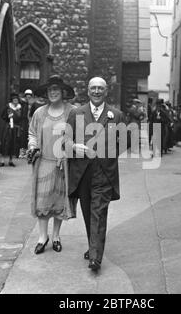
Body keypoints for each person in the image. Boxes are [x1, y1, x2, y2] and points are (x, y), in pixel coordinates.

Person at [65, 77, 127, 272]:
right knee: (87, 212)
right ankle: (94, 246)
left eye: (100, 88)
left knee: (98, 213)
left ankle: (95, 257)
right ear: (88, 91)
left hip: (104, 173)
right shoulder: (76, 113)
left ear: (106, 91)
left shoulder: (116, 115)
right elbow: (65, 141)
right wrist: (75, 147)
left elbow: (125, 141)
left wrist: (108, 153)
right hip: (82, 173)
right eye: (93, 88)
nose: (97, 91)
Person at [27, 75, 77, 255]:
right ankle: (42, 237)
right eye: (50, 90)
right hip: (44, 162)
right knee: (42, 201)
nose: (53, 93)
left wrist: (69, 150)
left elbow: (78, 135)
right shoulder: (39, 113)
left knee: (59, 201)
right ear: (46, 93)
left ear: (63, 92)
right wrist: (32, 146)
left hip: (63, 164)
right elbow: (32, 133)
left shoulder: (73, 112)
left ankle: (56, 236)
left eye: (56, 89)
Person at [0, 93, 23, 167]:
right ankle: (3, 161)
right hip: (8, 127)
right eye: (14, 100)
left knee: (13, 144)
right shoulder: (8, 107)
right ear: (12, 101)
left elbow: (21, 118)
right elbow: (2, 116)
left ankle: (10, 160)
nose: (15, 101)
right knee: (5, 143)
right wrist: (8, 120)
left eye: (16, 100)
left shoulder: (20, 108)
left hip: (15, 128)